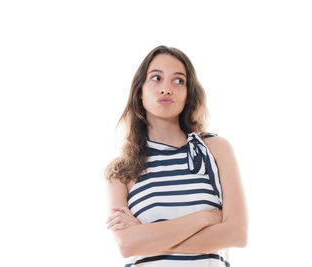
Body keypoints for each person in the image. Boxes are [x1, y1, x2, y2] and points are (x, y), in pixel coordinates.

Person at [104, 45, 248, 267]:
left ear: (189, 92)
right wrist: (205, 218)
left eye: (178, 80)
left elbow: (237, 234)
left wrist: (146, 238)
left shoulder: (216, 149)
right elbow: (127, 246)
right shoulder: (121, 171)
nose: (166, 89)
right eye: (156, 78)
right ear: (140, 90)